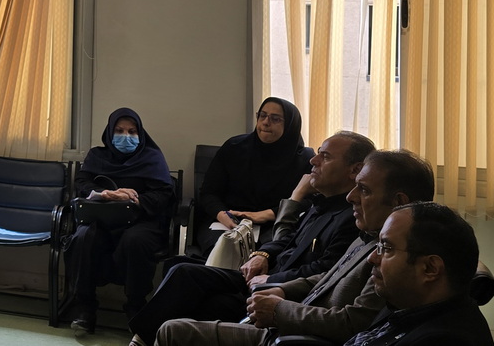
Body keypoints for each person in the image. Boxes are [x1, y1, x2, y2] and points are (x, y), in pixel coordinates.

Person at [156, 149, 436, 346]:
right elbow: (326, 275)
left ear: (398, 202)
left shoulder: (391, 254)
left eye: (363, 189)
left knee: (177, 321)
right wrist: (280, 284)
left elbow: (353, 323)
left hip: (297, 332)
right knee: (182, 276)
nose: (352, 197)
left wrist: (279, 306)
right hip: (283, 304)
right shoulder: (366, 233)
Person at [127, 131, 374, 344]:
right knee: (180, 268)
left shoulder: (352, 218)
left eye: (326, 157)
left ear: (354, 170)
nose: (313, 160)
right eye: (318, 153)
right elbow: (288, 239)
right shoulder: (320, 203)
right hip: (266, 277)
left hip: (280, 292)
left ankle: (143, 340)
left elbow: (325, 271)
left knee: (204, 299)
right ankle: (142, 339)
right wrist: (262, 253)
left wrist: (273, 280)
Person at [67, 107, 176, 335]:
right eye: (119, 130)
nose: (125, 136)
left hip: (141, 221)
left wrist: (133, 199)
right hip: (102, 219)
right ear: (109, 132)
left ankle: (136, 307)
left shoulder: (152, 158)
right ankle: (84, 309)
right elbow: (82, 183)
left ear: (140, 134)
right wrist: (106, 194)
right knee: (82, 237)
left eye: (132, 131)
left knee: (136, 241)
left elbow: (164, 195)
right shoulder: (97, 156)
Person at [337, 201, 492, 345]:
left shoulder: (442, 340)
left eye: (386, 248)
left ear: (429, 269)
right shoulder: (404, 302)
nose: (372, 258)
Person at [194, 97, 311, 255]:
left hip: (276, 224)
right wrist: (222, 214)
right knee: (223, 251)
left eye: (275, 119)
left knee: (270, 255)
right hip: (228, 221)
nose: (265, 122)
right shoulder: (234, 147)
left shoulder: (305, 159)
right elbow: (209, 192)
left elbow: (309, 201)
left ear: (290, 125)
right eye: (262, 115)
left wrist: (268, 214)